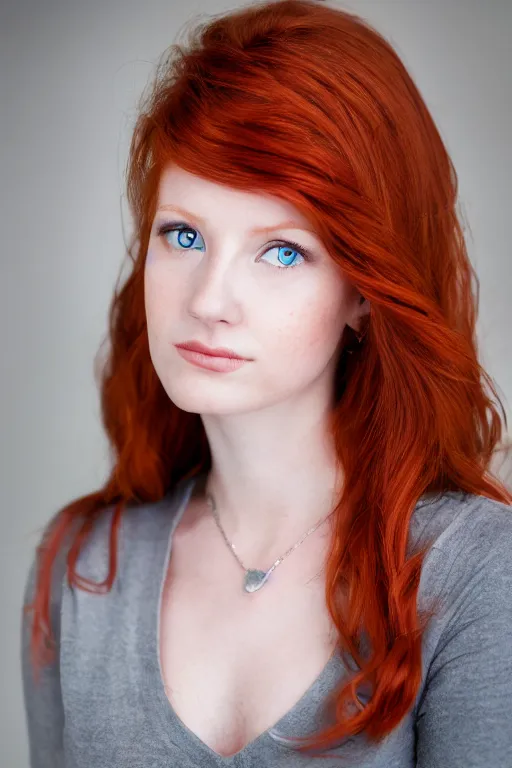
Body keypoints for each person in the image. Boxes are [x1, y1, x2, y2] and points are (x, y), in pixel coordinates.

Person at [21, 0, 512, 765]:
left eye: (282, 252)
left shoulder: (473, 572)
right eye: (183, 235)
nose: (209, 300)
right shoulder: (83, 567)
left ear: (364, 294)